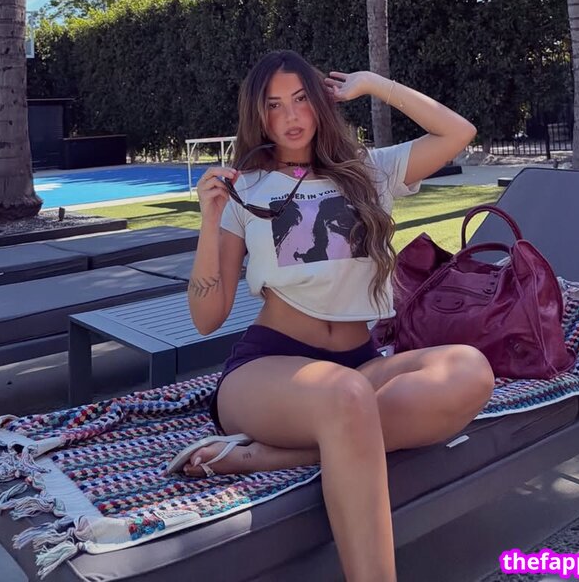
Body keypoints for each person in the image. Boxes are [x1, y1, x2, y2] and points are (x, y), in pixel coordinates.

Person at [176, 51, 494, 582]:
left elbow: (458, 132)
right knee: (346, 398)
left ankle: (271, 456)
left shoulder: (370, 170)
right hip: (269, 368)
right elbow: (207, 318)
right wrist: (209, 221)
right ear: (258, 115)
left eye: (301, 99)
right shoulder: (243, 189)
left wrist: (375, 85)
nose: (290, 116)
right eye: (274, 105)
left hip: (357, 364)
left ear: (322, 102)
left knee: (471, 370)